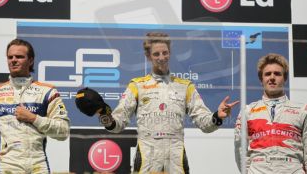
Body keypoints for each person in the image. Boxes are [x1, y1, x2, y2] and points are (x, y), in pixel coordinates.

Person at [98, 32, 239, 173]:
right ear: (148, 57)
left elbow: (204, 123)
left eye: (165, 53)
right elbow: (119, 122)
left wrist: (217, 116)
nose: (161, 58)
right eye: (156, 54)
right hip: (148, 157)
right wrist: (107, 118)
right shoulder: (137, 85)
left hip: (176, 158)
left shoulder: (185, 86)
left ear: (170, 53)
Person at [234, 53, 307, 174]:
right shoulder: (247, 111)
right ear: (261, 79)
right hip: (258, 169)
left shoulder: (303, 110)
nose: (272, 77)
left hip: (292, 169)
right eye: (267, 74)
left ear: (285, 78)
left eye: (277, 73)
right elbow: (240, 148)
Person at [0, 39, 70, 173]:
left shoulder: (47, 91)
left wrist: (34, 118)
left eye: (19, 57)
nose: (13, 60)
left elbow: (63, 132)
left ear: (30, 61)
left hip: (38, 165)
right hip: (6, 166)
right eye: (10, 57)